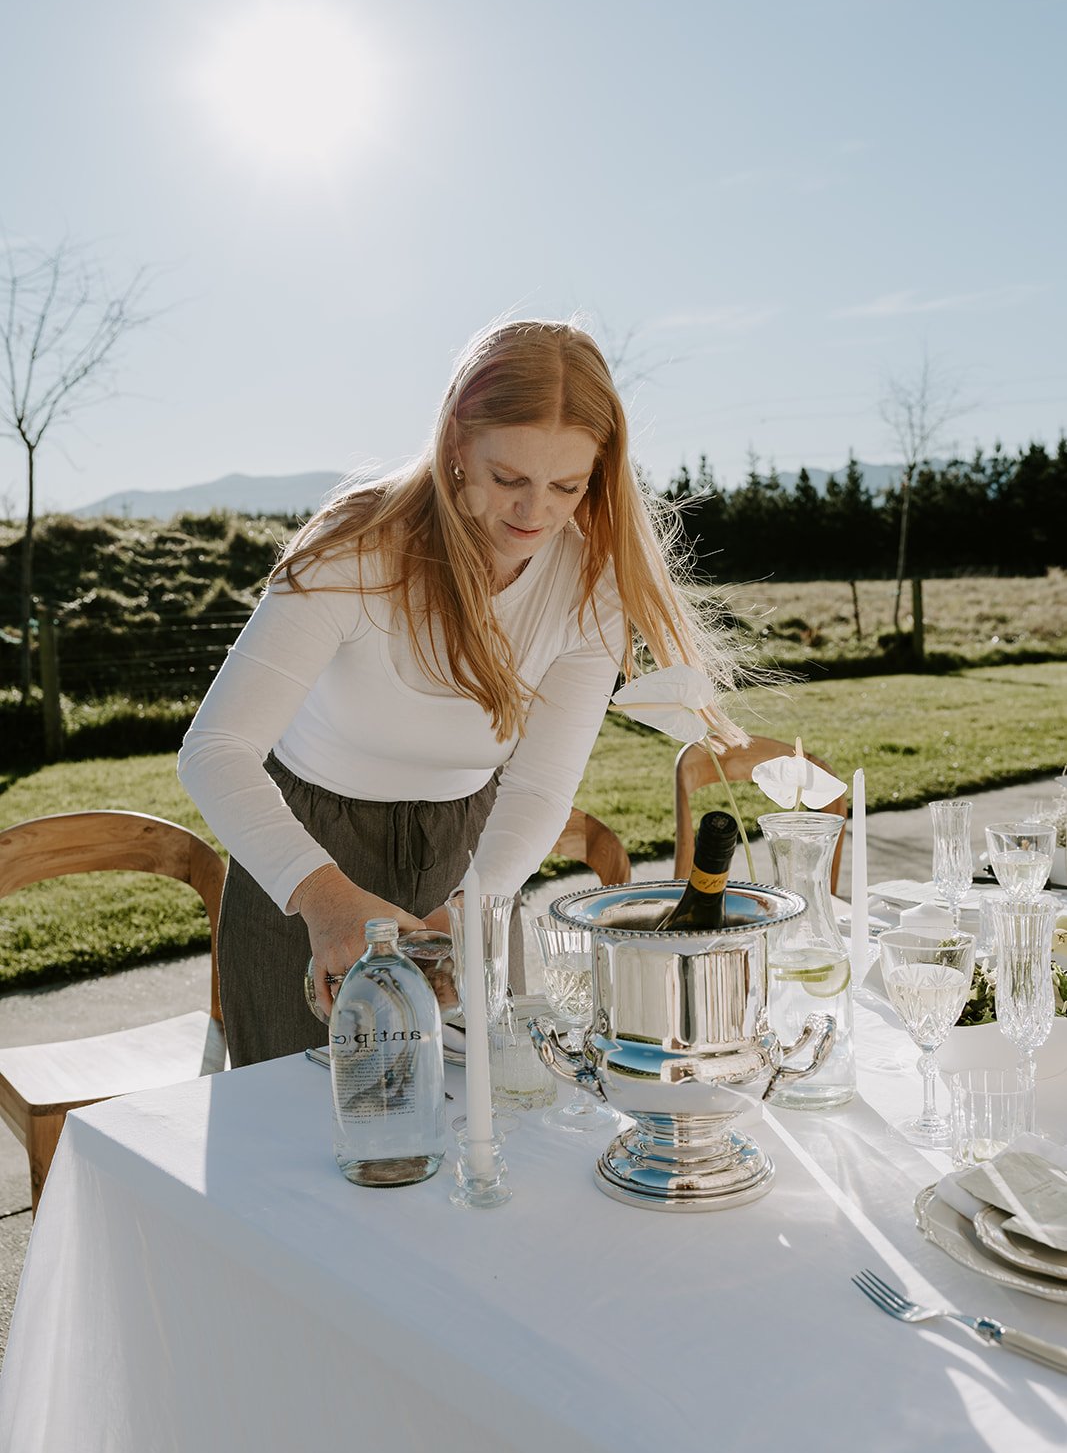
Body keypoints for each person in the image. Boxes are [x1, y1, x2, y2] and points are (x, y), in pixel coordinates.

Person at [177, 318, 746, 1065]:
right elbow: (213, 751)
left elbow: (541, 784)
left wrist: (475, 906)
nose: (534, 513)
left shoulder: (590, 581)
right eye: (507, 478)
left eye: (566, 486)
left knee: (483, 1125)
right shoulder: (352, 549)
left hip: (476, 853)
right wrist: (325, 897)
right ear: (454, 448)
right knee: (300, 1140)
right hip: (303, 849)